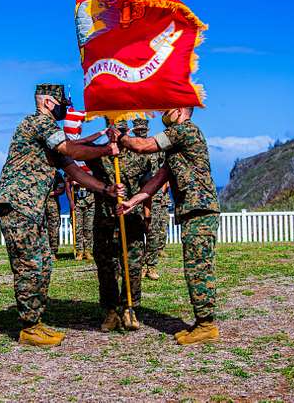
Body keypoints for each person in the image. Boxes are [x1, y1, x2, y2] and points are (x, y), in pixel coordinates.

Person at [0, 84, 124, 347]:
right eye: (63, 102)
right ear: (48, 103)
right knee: (29, 266)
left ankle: (35, 321)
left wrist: (106, 189)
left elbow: (74, 171)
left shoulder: (50, 136)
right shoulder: (37, 123)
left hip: (33, 208)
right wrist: (105, 150)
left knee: (43, 265)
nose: (67, 107)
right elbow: (72, 150)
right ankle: (29, 328)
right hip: (19, 205)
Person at [115, 107, 221, 345]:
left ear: (181, 110)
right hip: (193, 211)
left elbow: (142, 146)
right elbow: (158, 180)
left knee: (198, 267)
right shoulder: (176, 146)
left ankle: (206, 325)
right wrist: (133, 201)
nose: (163, 112)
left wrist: (119, 137)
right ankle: (201, 322)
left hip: (200, 209)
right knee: (193, 266)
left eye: (167, 109)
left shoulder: (185, 131)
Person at [86, 120, 153, 332]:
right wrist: (101, 142)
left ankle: (129, 308)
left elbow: (147, 187)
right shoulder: (98, 155)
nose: (118, 135)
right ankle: (111, 310)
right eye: (114, 131)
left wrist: (147, 215)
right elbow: (73, 154)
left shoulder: (141, 157)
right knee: (106, 267)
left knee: (132, 266)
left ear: (128, 131)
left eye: (122, 131)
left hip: (131, 220)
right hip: (105, 220)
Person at [132, 118, 170, 280]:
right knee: (136, 232)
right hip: (136, 195)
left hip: (155, 195)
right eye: (138, 131)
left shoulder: (156, 148)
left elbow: (166, 166)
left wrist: (163, 187)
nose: (141, 133)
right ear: (134, 131)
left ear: (147, 131)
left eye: (143, 131)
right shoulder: (130, 149)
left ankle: (151, 266)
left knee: (153, 231)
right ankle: (139, 266)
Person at [72, 183, 95, 261]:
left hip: (89, 203)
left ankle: (87, 251)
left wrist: (80, 181)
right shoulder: (73, 171)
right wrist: (70, 201)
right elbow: (68, 185)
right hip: (76, 203)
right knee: (78, 228)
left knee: (88, 228)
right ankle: (80, 251)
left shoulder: (91, 171)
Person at [45, 171, 65, 258]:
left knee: (54, 228)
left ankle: (53, 252)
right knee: (39, 228)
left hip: (52, 203)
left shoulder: (56, 173)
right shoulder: (34, 171)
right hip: (38, 203)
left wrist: (53, 193)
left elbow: (61, 188)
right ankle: (43, 252)